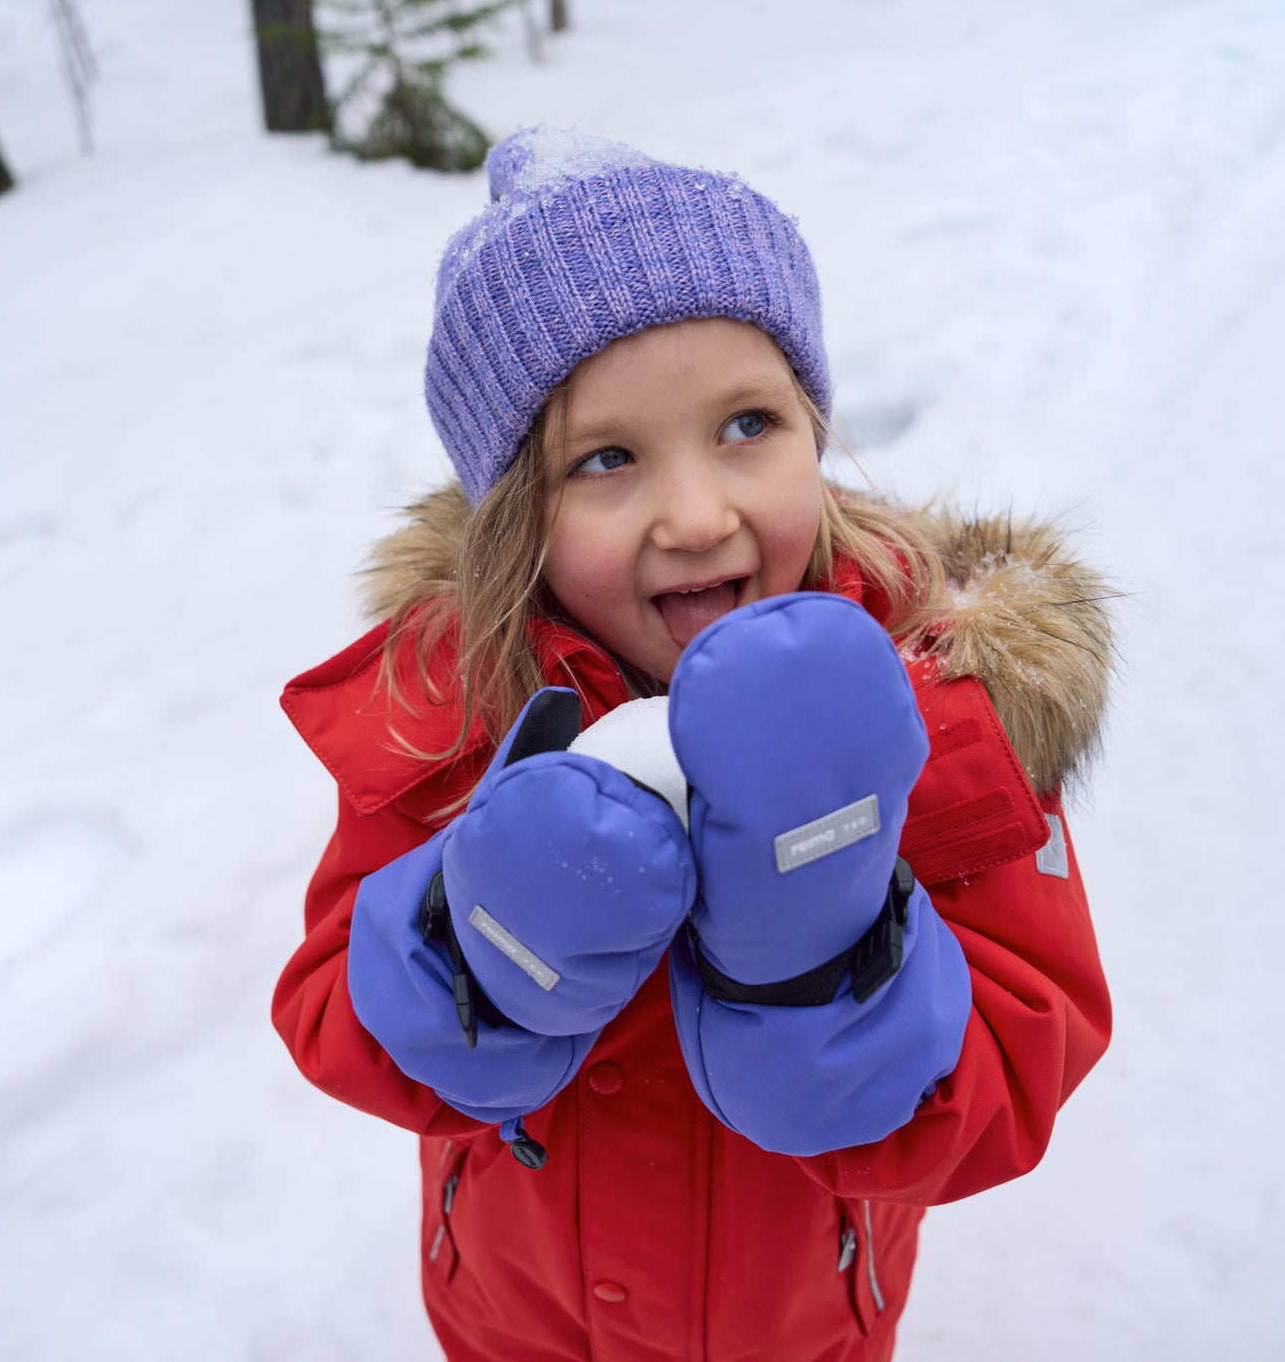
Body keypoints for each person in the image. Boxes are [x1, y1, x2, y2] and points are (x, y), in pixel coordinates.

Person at [272, 127, 1115, 1362]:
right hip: (521, 1323)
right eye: (606, 458)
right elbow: (328, 1010)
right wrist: (472, 943)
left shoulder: (938, 709)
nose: (696, 513)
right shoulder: (454, 706)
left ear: (813, 434)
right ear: (513, 514)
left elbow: (1019, 1066)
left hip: (801, 1325)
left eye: (745, 427)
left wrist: (827, 973)